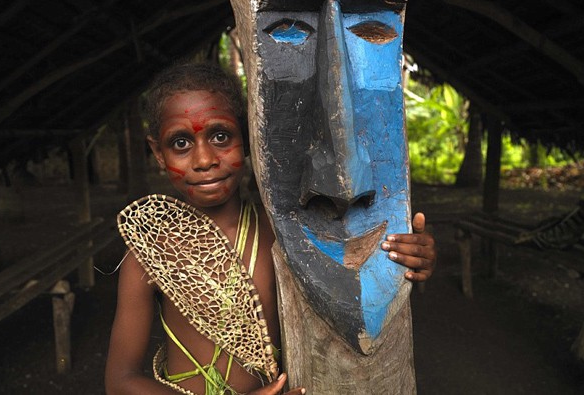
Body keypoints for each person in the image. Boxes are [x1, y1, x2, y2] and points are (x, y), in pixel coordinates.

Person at [105, 63, 436, 395]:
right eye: (180, 143)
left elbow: (360, 268)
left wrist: (406, 254)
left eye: (221, 136)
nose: (204, 159)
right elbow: (120, 381)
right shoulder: (149, 255)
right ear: (157, 153)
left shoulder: (282, 230)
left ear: (248, 138)